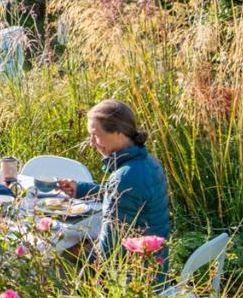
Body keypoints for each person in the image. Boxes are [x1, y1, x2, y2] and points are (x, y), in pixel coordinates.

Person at [57, 99, 170, 269]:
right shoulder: (147, 161)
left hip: (135, 279)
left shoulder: (125, 177)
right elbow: (122, 197)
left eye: (95, 135)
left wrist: (73, 250)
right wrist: (80, 189)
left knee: (57, 255)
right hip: (157, 265)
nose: (91, 142)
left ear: (118, 132)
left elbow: (107, 254)